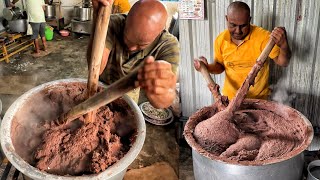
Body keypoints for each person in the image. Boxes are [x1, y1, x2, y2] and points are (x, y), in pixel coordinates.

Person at [89, 0, 180, 108]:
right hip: (98, 88)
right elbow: (96, 69)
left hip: (129, 96)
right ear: (126, 19)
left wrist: (162, 91)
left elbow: (163, 102)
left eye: (140, 45)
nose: (131, 48)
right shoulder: (113, 23)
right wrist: (98, 16)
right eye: (127, 38)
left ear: (159, 32)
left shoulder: (168, 46)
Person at [195, 1, 291, 100]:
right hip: (230, 99)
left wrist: (284, 45)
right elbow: (220, 66)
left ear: (249, 20)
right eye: (233, 25)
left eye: (243, 26)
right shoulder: (221, 39)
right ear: (226, 19)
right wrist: (207, 67)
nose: (238, 31)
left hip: (258, 100)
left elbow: (283, 62)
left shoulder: (263, 37)